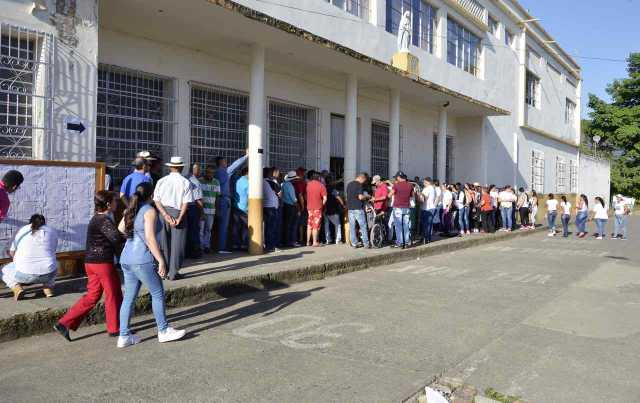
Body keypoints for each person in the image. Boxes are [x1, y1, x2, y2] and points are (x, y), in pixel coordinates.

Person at [117, 182, 185, 348]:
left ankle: (124, 335)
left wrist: (133, 234)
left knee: (128, 298)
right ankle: (163, 330)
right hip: (142, 258)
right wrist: (161, 259)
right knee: (157, 293)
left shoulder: (130, 210)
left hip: (126, 258)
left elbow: (120, 228)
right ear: (151, 195)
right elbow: (150, 238)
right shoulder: (149, 211)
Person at [55, 191, 124, 341]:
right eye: (114, 201)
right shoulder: (103, 220)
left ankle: (64, 323)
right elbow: (116, 239)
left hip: (91, 263)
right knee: (114, 294)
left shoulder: (97, 219)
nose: (116, 203)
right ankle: (114, 328)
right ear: (108, 204)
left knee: (92, 296)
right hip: (102, 263)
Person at [153, 156, 194, 281]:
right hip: (177, 213)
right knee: (178, 245)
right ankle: (174, 272)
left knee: (164, 243)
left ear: (170, 167)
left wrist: (165, 215)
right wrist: (179, 218)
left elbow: (156, 200)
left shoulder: (161, 181)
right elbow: (186, 202)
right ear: (181, 167)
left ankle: (163, 271)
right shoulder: (186, 182)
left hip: (163, 212)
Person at [1, 214, 58, 300]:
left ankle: (17, 288)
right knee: (53, 263)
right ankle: (48, 288)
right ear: (44, 222)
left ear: (30, 222)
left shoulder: (23, 230)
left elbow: (12, 252)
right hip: (49, 275)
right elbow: (53, 251)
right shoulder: (51, 231)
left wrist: (18, 261)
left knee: (2, 270)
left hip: (24, 275)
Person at [214, 153, 248, 254]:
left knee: (218, 225)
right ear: (221, 162)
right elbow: (235, 165)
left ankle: (219, 246)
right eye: (225, 161)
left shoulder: (216, 173)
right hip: (224, 200)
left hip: (217, 200)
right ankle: (222, 247)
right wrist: (246, 156)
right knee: (224, 225)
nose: (226, 163)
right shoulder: (224, 172)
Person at [199, 165, 221, 253]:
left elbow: (217, 197)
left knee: (208, 229)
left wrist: (217, 210)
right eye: (208, 172)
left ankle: (206, 246)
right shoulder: (200, 181)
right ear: (205, 172)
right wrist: (200, 210)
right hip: (201, 210)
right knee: (201, 229)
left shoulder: (216, 182)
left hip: (211, 210)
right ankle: (200, 247)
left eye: (212, 173)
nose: (210, 174)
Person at [345, 173, 371, 248]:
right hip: (358, 208)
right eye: (364, 180)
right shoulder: (359, 185)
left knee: (352, 226)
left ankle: (354, 243)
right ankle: (366, 243)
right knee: (363, 226)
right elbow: (360, 197)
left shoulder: (349, 184)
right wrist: (367, 196)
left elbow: (348, 197)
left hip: (350, 208)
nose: (364, 182)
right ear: (362, 178)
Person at [390, 172, 414, 248]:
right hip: (406, 207)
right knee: (406, 225)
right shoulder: (410, 185)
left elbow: (390, 194)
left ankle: (399, 243)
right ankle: (406, 243)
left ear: (399, 177)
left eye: (396, 177)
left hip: (397, 207)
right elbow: (412, 195)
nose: (396, 178)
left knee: (398, 226)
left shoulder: (396, 185)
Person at [185, 163, 204, 258]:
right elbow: (198, 200)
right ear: (194, 170)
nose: (200, 171)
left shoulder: (184, 178)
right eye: (199, 169)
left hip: (183, 208)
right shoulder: (196, 182)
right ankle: (194, 252)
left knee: (186, 231)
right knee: (194, 230)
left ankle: (186, 251)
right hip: (193, 208)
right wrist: (202, 212)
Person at [305, 171, 327, 247]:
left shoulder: (308, 185)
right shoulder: (321, 186)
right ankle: (314, 242)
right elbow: (325, 198)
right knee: (316, 225)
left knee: (309, 224)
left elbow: (305, 196)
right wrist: (322, 205)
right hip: (318, 208)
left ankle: (308, 242)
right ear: (319, 178)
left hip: (309, 207)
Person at [263, 167, 281, 252]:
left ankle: (267, 245)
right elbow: (280, 194)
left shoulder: (261, 182)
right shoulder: (270, 182)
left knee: (267, 227)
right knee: (272, 228)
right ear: (269, 174)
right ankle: (271, 246)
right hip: (272, 207)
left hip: (265, 206)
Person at [233, 167, 250, 251]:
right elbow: (249, 195)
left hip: (236, 206)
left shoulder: (237, 180)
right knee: (245, 227)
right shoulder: (247, 182)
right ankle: (244, 244)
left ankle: (236, 244)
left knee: (236, 226)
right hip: (244, 208)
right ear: (247, 173)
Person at [282, 171, 300, 247]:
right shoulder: (290, 186)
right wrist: (298, 209)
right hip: (291, 207)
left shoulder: (283, 184)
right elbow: (294, 199)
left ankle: (286, 241)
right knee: (292, 225)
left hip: (285, 205)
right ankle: (291, 241)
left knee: (286, 225)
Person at [419, 177, 436, 244]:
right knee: (429, 225)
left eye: (424, 182)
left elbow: (423, 199)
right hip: (431, 208)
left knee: (426, 225)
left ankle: (425, 238)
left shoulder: (427, 189)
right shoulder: (432, 188)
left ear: (427, 182)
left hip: (426, 208)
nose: (423, 183)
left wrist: (419, 196)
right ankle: (427, 238)